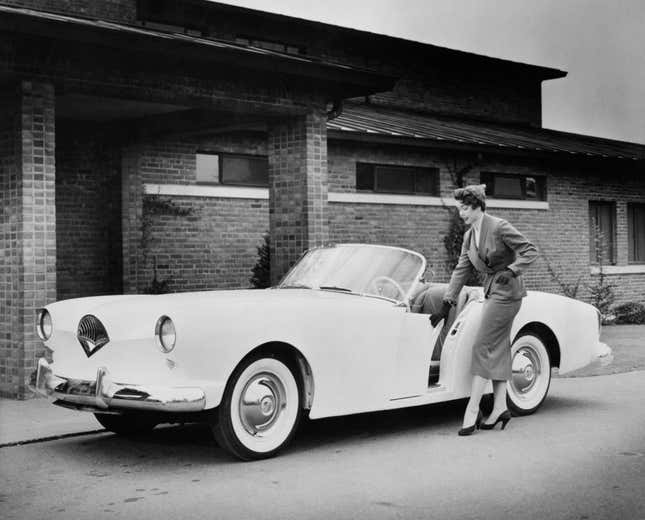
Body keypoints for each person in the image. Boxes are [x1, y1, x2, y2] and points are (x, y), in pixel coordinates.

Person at [430, 184, 538, 435]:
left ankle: (472, 409)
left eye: (465, 208)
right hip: (492, 293)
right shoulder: (470, 236)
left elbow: (530, 250)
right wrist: (447, 303)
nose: (462, 214)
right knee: (498, 348)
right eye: (460, 209)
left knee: (482, 347)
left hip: (507, 293)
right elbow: (461, 269)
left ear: (478, 206)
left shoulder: (499, 226)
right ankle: (500, 407)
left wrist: (512, 270)